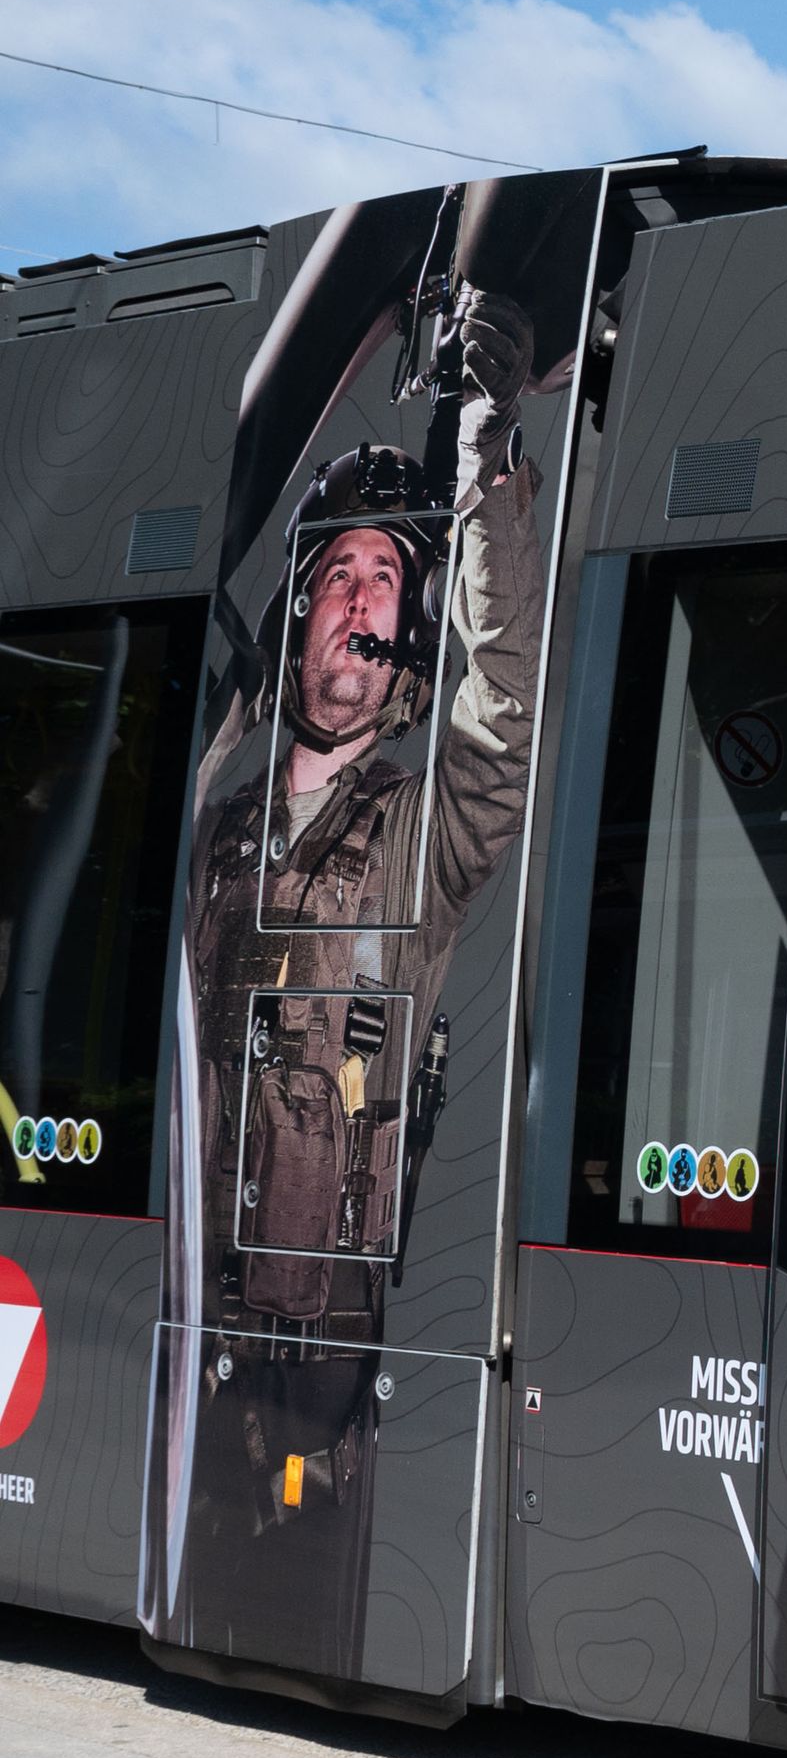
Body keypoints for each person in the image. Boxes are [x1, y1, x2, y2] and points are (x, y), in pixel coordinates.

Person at [164, 285, 538, 1668]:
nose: (364, 604)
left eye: (391, 580)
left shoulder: (426, 835)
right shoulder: (213, 820)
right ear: (305, 607)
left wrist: (484, 460)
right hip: (179, 1324)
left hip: (333, 1365)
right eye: (341, 578)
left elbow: (500, 726)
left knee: (296, 1646)